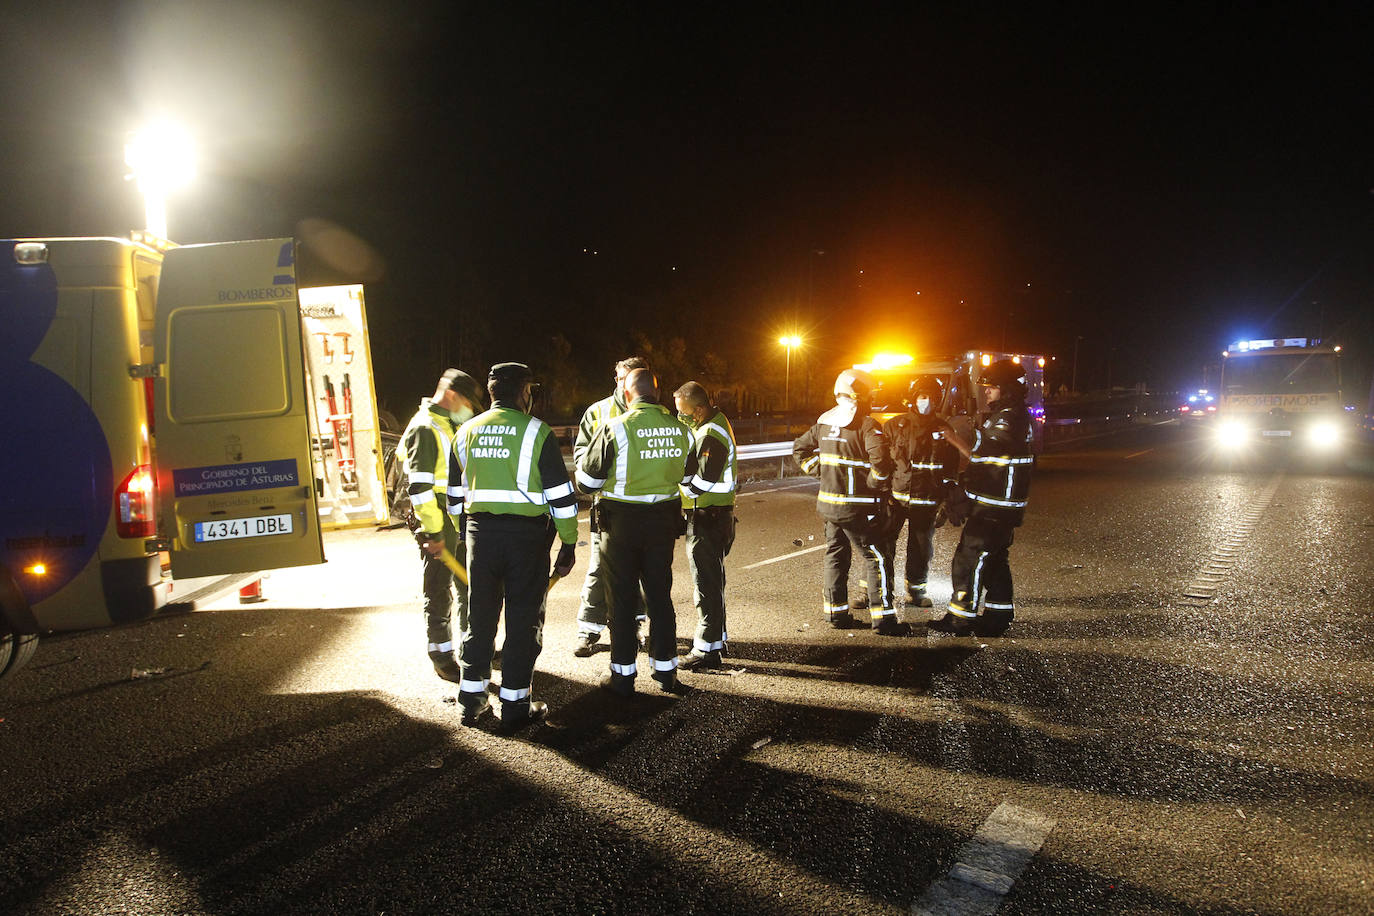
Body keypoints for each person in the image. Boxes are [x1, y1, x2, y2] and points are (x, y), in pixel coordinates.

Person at [447, 362, 578, 728]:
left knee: (481, 616)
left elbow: (454, 499)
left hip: (480, 536)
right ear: (523, 392)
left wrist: (466, 533)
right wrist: (568, 543)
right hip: (526, 540)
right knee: (523, 621)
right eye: (529, 391)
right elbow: (561, 499)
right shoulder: (537, 433)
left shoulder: (466, 432)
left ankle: (471, 701)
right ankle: (515, 705)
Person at [577, 368, 696, 696]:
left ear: (628, 395)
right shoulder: (681, 430)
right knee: (660, 597)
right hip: (662, 523)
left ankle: (623, 676)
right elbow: (689, 481)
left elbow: (586, 482)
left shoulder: (614, 427)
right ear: (657, 394)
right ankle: (666, 673)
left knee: (622, 599)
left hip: (621, 525)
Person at [792, 369, 908, 636]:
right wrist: (877, 483)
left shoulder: (824, 422)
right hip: (857, 509)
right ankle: (884, 620)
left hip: (829, 507)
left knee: (835, 556)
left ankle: (836, 614)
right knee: (875, 557)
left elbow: (800, 449)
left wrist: (820, 471)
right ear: (863, 395)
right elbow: (880, 462)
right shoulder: (867, 424)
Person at [929, 359, 1034, 637]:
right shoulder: (1012, 414)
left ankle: (960, 618)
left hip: (995, 505)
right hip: (999, 504)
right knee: (995, 560)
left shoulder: (1010, 417)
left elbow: (983, 450)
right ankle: (998, 616)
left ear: (1008, 389)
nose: (986, 392)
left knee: (969, 558)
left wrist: (953, 435)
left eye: (993, 387)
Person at [399, 368, 483, 682]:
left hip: (453, 520)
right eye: (468, 402)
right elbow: (419, 489)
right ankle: (441, 655)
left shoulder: (445, 423)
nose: (470, 410)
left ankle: (471, 646)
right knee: (438, 591)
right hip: (436, 522)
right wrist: (433, 533)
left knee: (466, 585)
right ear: (452, 395)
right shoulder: (425, 427)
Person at [571, 357, 650, 656]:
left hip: (641, 508)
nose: (622, 384)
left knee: (639, 571)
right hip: (606, 508)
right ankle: (588, 630)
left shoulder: (653, 411)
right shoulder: (598, 411)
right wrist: (594, 475)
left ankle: (635, 624)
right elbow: (581, 453)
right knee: (598, 569)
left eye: (628, 378)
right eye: (618, 378)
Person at [672, 381, 738, 670]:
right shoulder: (712, 424)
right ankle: (717, 639)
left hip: (707, 517)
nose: (681, 417)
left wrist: (675, 481)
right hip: (716, 516)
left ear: (699, 409)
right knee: (714, 582)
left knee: (706, 585)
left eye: (684, 412)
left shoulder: (711, 433)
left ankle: (705, 650)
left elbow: (701, 483)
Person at [885, 376, 959, 608]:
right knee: (883, 545)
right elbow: (882, 462)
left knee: (920, 548)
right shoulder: (894, 425)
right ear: (913, 398)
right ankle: (875, 591)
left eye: (929, 397)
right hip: (895, 499)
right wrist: (881, 493)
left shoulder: (944, 429)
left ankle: (916, 592)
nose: (924, 401)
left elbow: (950, 467)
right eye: (921, 396)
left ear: (936, 400)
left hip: (927, 500)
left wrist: (946, 500)